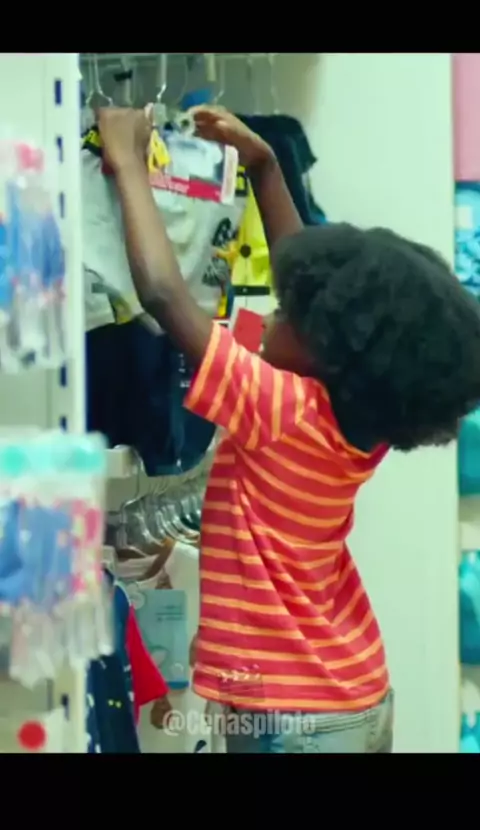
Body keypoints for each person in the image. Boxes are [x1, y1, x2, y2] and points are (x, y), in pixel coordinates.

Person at [97, 104, 480, 754]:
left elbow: (164, 294)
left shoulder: (278, 409)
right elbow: (306, 272)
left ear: (329, 353)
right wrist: (266, 166)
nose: (277, 312)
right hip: (344, 696)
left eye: (293, 314)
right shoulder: (356, 424)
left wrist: (125, 159)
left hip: (292, 717)